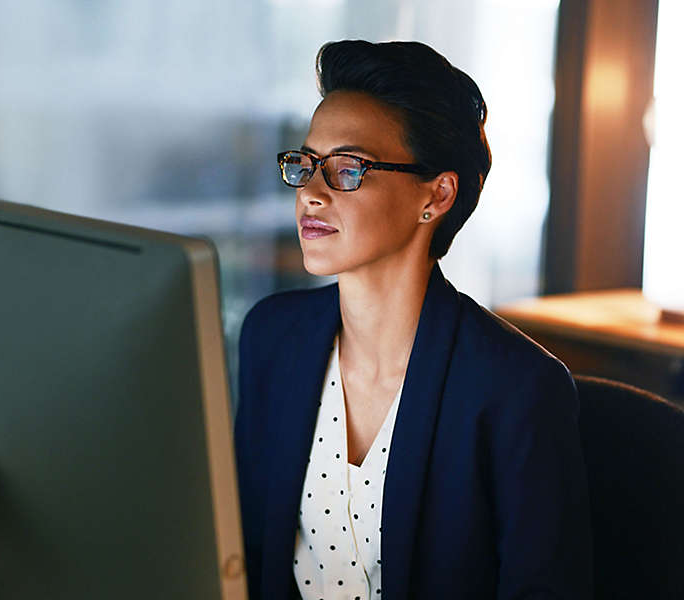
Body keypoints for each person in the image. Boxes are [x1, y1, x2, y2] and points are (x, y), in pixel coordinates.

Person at [234, 39, 593, 600]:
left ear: (437, 194)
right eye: (305, 164)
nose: (312, 192)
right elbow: (244, 558)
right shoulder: (271, 338)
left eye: (347, 169)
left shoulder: (517, 388)